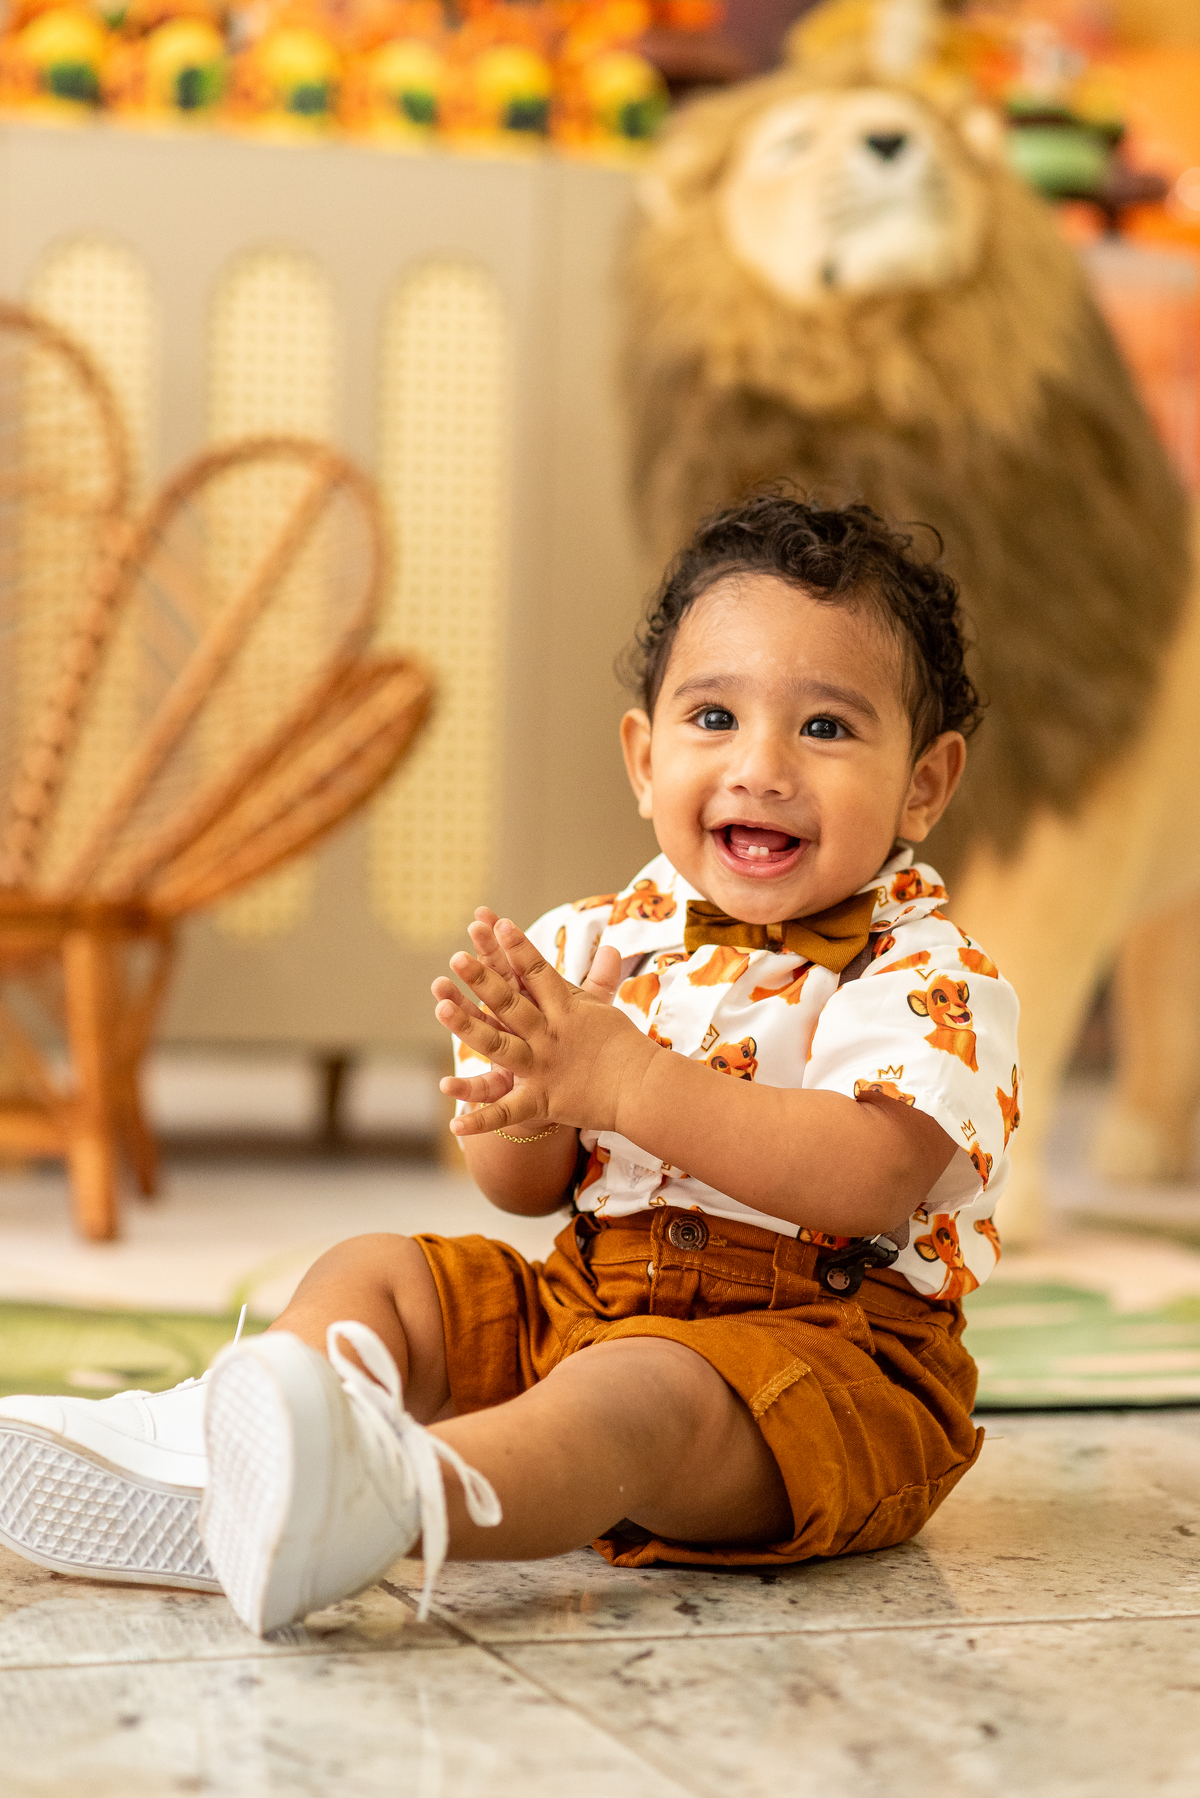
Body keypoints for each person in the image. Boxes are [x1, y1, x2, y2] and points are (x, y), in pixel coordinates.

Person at [0, 494, 1019, 1636]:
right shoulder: (603, 941)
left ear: (925, 784)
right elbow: (522, 1188)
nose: (762, 766)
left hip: (823, 1369)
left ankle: (383, 1497)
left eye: (825, 728)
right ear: (645, 756)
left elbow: (864, 1179)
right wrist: (527, 1098)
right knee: (382, 1267)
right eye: (715, 716)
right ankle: (260, 1442)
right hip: (586, 1297)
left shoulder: (929, 972)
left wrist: (627, 1080)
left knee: (633, 1396)